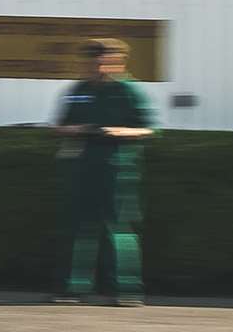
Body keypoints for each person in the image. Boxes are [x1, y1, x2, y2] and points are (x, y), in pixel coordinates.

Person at [50, 37, 156, 306]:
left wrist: (120, 131)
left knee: (117, 228)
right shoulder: (79, 89)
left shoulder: (129, 91)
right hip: (82, 166)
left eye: (104, 62)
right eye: (93, 62)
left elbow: (147, 128)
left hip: (117, 168)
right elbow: (59, 126)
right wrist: (77, 129)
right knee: (79, 227)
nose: (98, 68)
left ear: (118, 62)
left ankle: (126, 290)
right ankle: (73, 288)